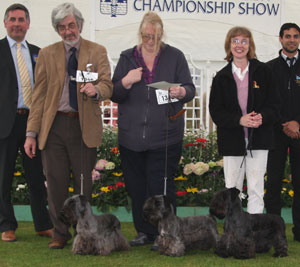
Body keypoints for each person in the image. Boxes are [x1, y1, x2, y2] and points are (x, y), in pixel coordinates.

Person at [24, 3, 113, 249]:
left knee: (83, 185)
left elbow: (108, 85)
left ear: (80, 25)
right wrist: (31, 133)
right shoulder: (47, 54)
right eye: (62, 27)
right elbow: (38, 96)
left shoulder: (97, 51)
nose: (67, 31)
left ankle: (84, 232)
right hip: (52, 128)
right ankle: (60, 234)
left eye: (71, 25)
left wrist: (96, 91)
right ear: (57, 30)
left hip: (83, 127)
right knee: (55, 184)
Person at [111, 11, 195, 249]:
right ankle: (144, 232)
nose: (150, 40)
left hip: (165, 136)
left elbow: (190, 89)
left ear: (162, 35)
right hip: (131, 137)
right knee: (137, 187)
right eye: (147, 35)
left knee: (161, 189)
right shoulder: (127, 57)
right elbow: (115, 93)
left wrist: (181, 92)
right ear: (140, 33)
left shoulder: (175, 56)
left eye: (155, 36)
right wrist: (126, 81)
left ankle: (166, 234)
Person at [209, 26, 280, 214]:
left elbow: (275, 105)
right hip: (232, 141)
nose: (239, 45)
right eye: (235, 41)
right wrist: (239, 120)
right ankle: (233, 235)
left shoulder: (264, 72)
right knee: (232, 190)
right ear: (229, 45)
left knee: (256, 189)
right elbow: (216, 112)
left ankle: (255, 235)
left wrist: (263, 117)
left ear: (250, 45)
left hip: (260, 139)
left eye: (244, 41)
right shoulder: (221, 77)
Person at [0, 3, 53, 242]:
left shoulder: (38, 53)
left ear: (28, 24)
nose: (17, 24)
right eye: (12, 19)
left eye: (21, 20)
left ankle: (42, 224)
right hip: (5, 124)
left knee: (36, 177)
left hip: (33, 124)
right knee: (3, 178)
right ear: (5, 23)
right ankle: (6, 226)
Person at [265, 23, 300, 241]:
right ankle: (273, 232)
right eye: (287, 36)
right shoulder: (269, 69)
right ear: (280, 39)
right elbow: (266, 103)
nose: (292, 40)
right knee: (274, 183)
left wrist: (298, 123)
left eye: (295, 36)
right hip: (276, 134)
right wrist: (285, 123)